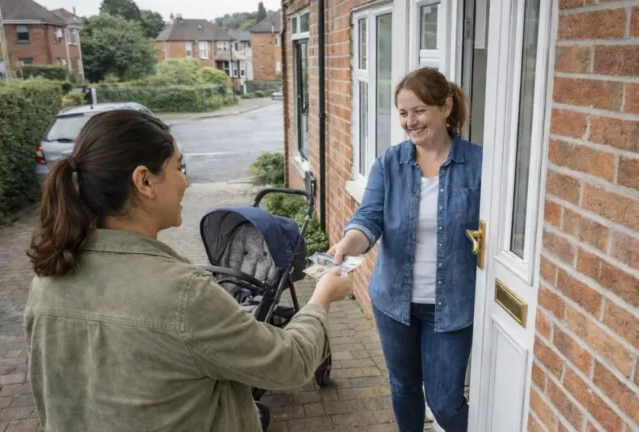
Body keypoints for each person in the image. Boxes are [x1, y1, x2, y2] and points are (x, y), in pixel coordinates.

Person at [25, 110, 352, 432]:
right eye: (178, 167)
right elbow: (289, 364)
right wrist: (321, 298)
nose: (185, 181)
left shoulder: (47, 281)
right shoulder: (183, 294)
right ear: (145, 181)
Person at [328, 68, 482, 432]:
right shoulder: (389, 163)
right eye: (402, 112)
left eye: (419, 111)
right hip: (394, 303)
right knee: (404, 387)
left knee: (445, 402)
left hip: (453, 305)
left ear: (445, 107)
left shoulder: (478, 165)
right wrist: (350, 242)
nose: (409, 122)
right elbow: (369, 216)